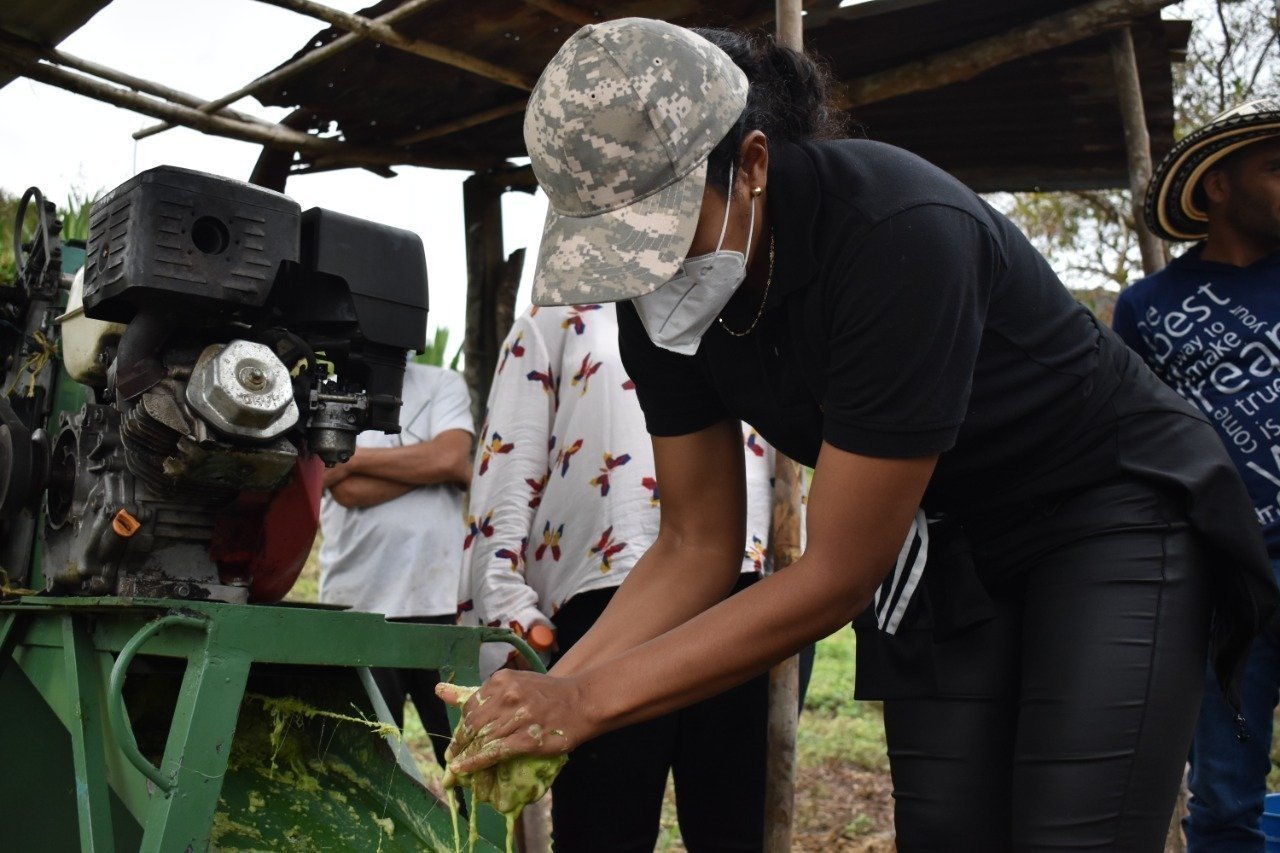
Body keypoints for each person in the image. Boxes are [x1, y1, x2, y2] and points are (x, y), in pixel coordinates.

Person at [438, 20, 1278, 850]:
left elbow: (836, 574)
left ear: (754, 164)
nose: (644, 272)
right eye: (612, 246)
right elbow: (695, 542)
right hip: (948, 530)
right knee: (949, 828)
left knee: (1073, 830)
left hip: (1109, 508)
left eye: (655, 231)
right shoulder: (657, 302)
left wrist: (587, 704)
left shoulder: (896, 231)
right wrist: (552, 689)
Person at [460, 302, 777, 851]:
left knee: (730, 828)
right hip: (605, 597)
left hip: (738, 597)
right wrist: (512, 607)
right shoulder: (560, 313)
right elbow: (508, 456)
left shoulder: (739, 308)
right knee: (604, 830)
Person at [1113, 98, 1280, 852]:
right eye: (1277, 170)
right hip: (1222, 580)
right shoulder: (1149, 308)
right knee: (1222, 795)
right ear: (1216, 186)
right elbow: (1137, 448)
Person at [320, 359, 473, 768]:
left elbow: (452, 458)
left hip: (441, 604)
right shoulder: (325, 389)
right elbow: (341, 490)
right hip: (358, 606)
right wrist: (428, 467)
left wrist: (350, 458)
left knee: (466, 762)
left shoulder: (444, 383)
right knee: (366, 768)